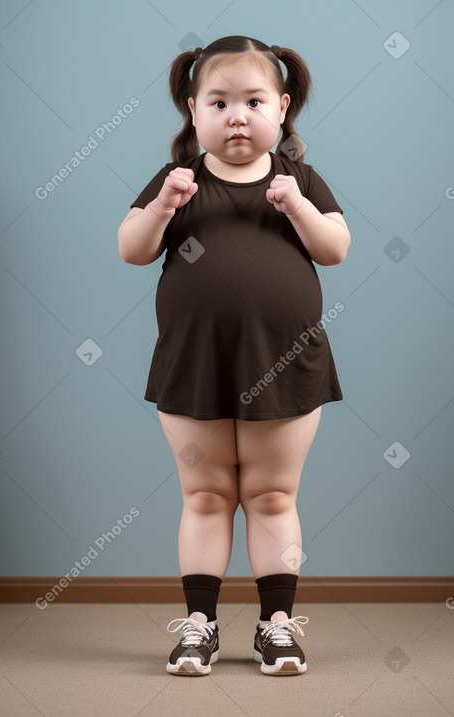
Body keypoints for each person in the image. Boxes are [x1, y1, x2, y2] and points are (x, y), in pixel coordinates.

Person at [118, 35, 350, 676]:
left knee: (274, 494)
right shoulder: (179, 181)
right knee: (206, 494)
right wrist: (164, 205)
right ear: (194, 112)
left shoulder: (296, 177)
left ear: (281, 108)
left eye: (253, 101)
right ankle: (201, 625)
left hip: (285, 363)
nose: (237, 115)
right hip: (195, 363)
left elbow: (335, 248)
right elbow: (132, 249)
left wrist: (298, 206)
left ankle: (277, 626)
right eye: (219, 102)